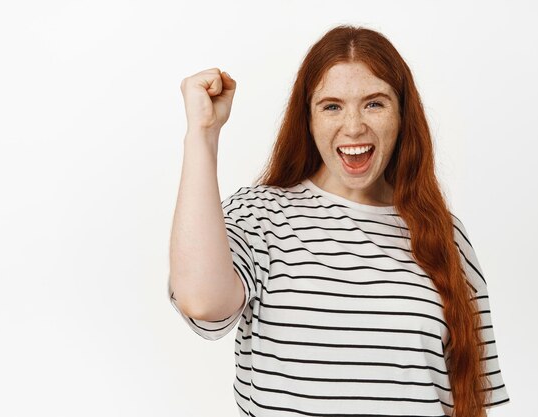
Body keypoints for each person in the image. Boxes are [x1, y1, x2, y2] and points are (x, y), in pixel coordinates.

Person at [168, 24, 510, 417]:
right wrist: (203, 134)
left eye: (374, 103)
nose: (353, 127)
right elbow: (202, 300)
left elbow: (470, 399)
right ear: (308, 120)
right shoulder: (260, 214)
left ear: (402, 116)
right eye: (331, 106)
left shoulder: (444, 235)